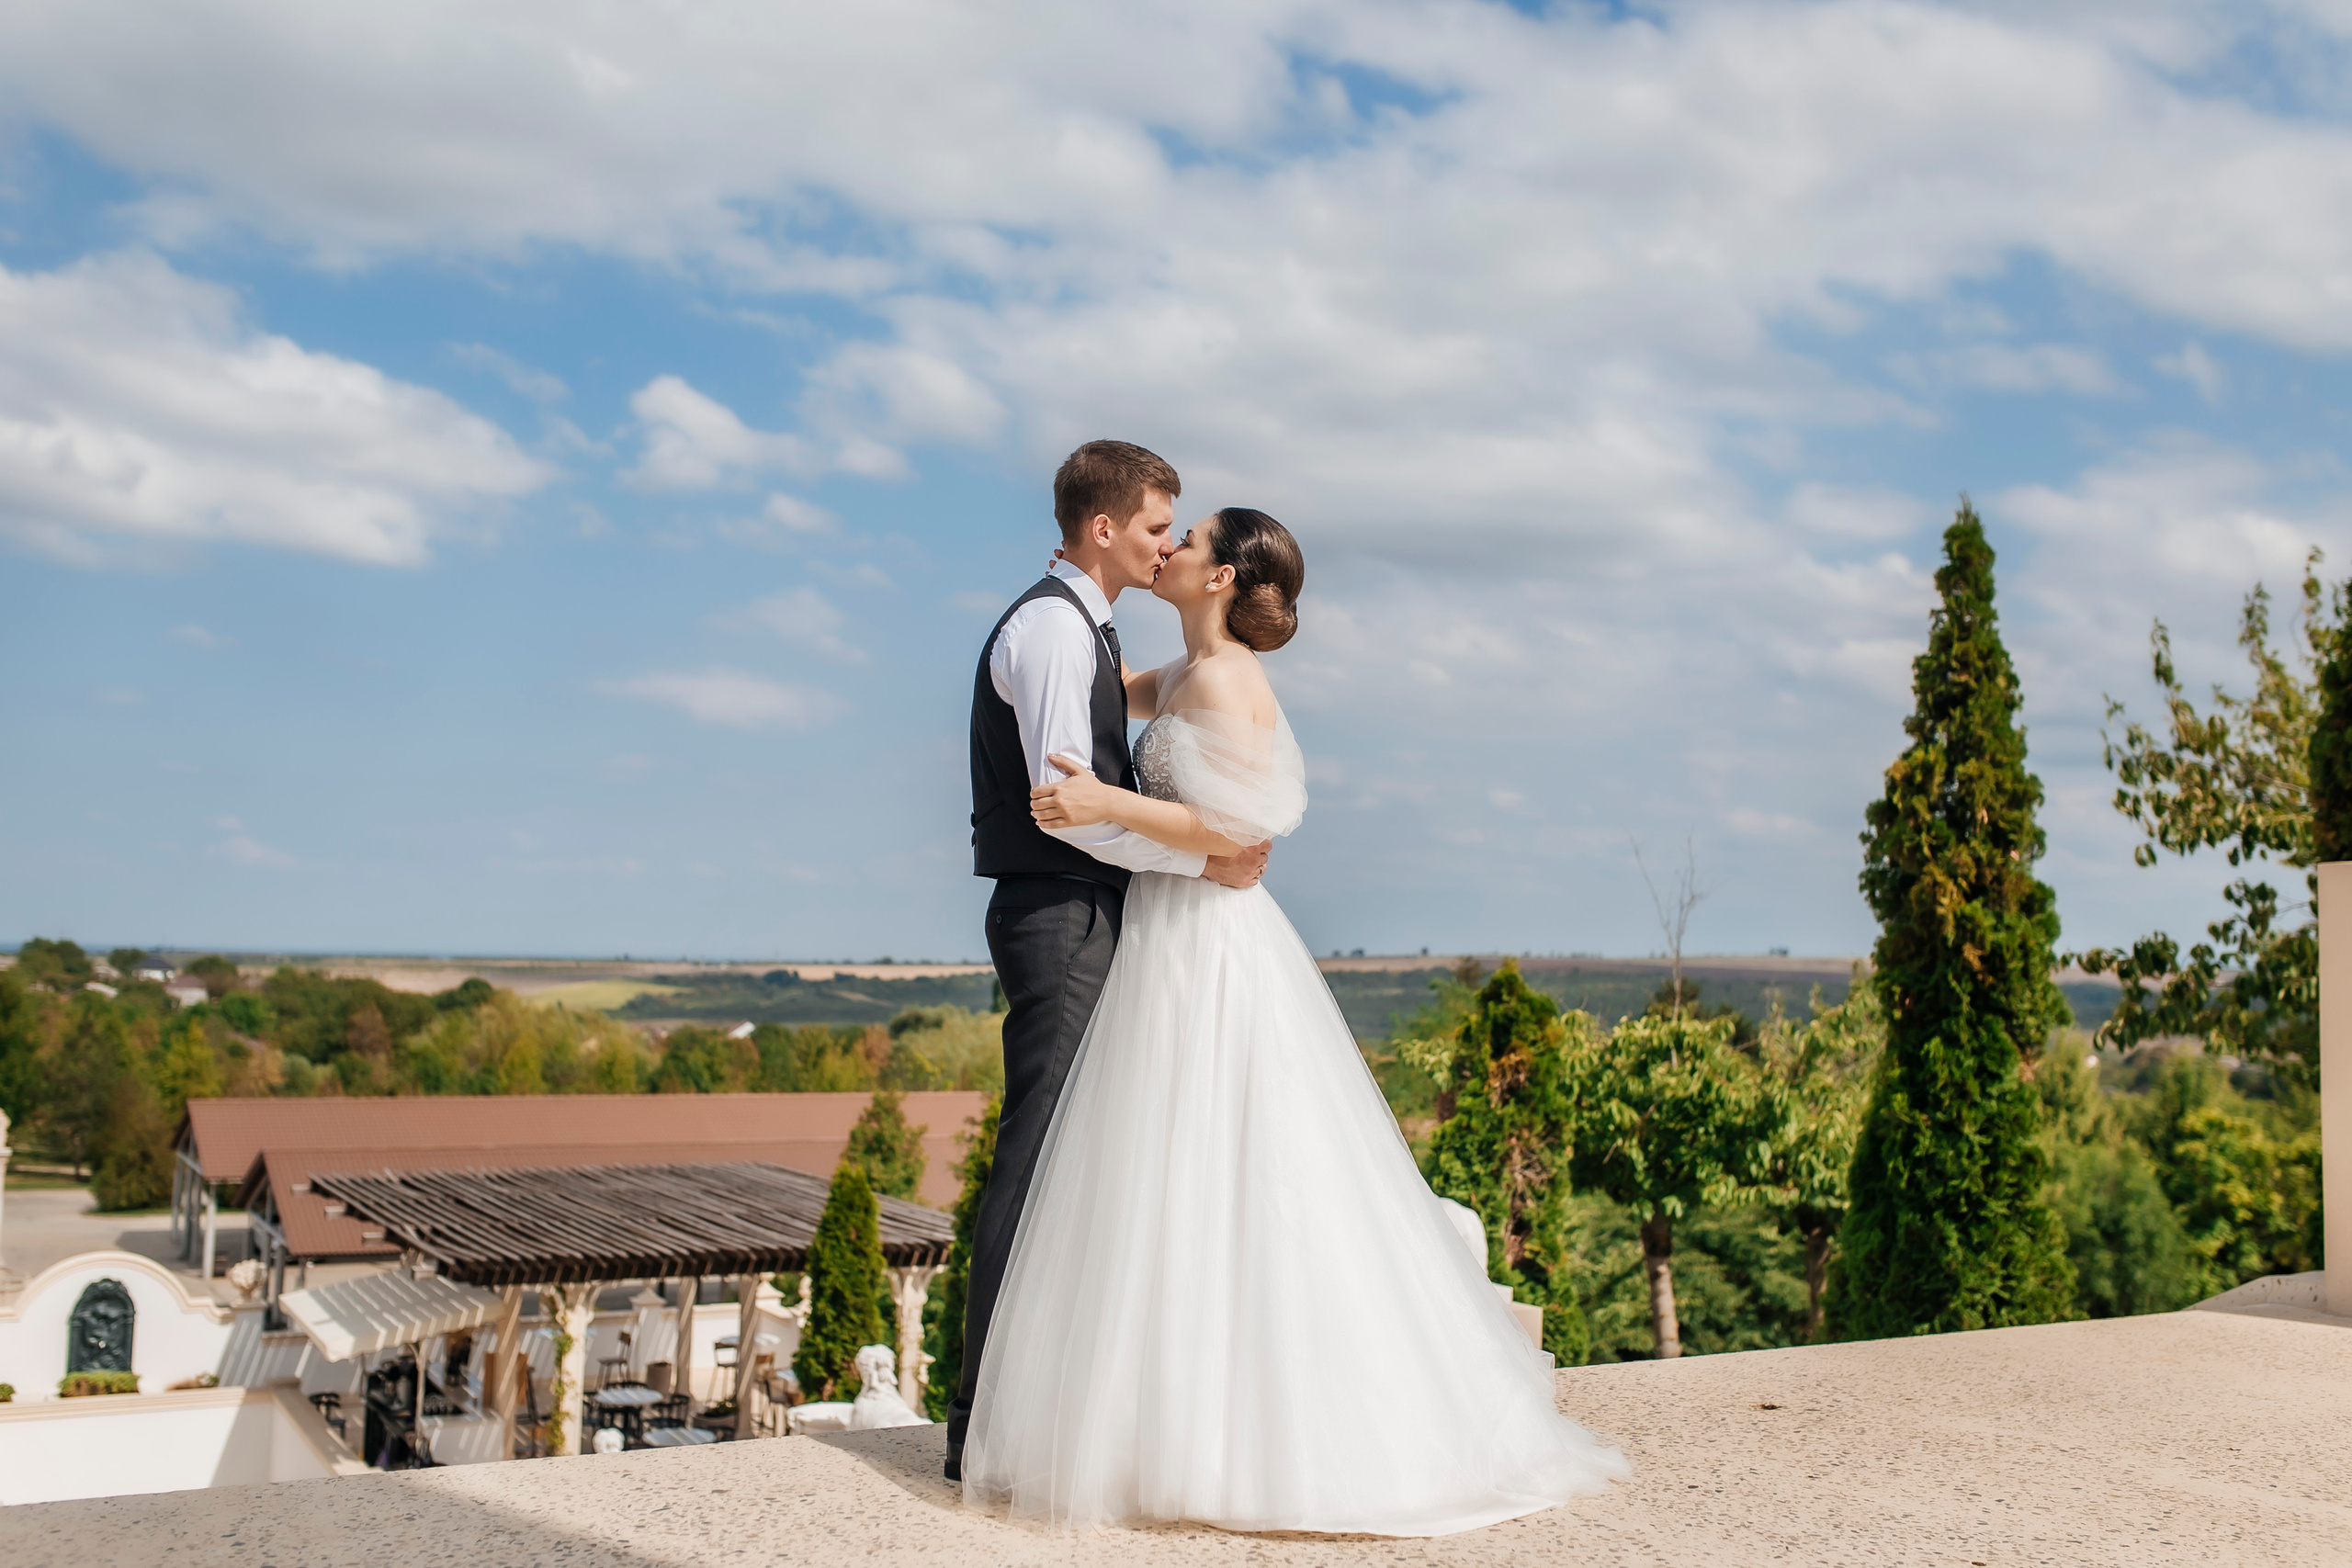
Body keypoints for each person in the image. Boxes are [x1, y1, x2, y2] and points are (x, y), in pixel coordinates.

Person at [960, 506, 1631, 1535]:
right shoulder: (1180, 673)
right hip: (1165, 928)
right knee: (1159, 1175)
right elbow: (1098, 701)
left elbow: (1236, 828)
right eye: (1161, 531)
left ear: (1221, 577)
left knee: (1239, 1163)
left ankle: (1266, 1436)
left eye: (1187, 541)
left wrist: (1109, 802)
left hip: (1210, 940)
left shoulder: (1228, 680)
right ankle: (1162, 1428)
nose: (1171, 548)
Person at [950, 440, 1271, 1483]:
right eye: (1150, 528)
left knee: (1083, 1163)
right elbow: (1068, 808)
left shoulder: (1090, 632)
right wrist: (1203, 854)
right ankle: (981, 1427)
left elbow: (1146, 728)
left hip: (1092, 911)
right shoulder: (1049, 631)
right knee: (1039, 1160)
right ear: (1103, 530)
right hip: (1060, 912)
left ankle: (1048, 1415)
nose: (1163, 544)